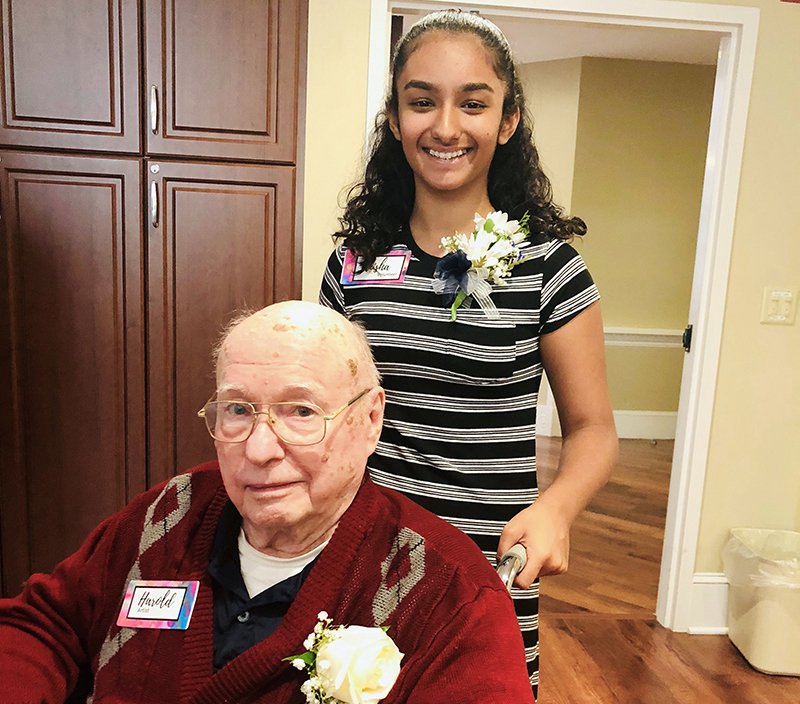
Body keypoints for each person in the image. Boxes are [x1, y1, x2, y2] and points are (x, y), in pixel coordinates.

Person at [0, 301, 536, 704]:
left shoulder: (449, 595)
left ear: (369, 420)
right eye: (237, 410)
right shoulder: (170, 514)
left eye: (301, 412)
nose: (258, 449)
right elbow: (45, 626)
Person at [319, 9, 618, 694]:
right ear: (395, 120)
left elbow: (595, 431)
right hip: (367, 557)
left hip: (491, 566)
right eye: (422, 101)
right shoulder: (353, 266)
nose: (446, 126)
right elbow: (329, 417)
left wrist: (556, 510)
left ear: (507, 121)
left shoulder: (551, 270)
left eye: (473, 103)